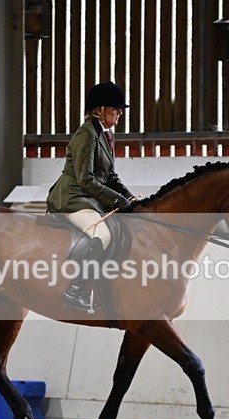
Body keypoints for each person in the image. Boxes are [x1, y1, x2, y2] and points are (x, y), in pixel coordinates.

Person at [47, 81, 135, 312]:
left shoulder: (106, 135)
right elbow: (85, 179)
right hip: (73, 198)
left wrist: (129, 197)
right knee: (102, 234)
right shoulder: (86, 135)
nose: (120, 114)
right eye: (115, 109)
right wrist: (116, 200)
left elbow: (110, 176)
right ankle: (75, 290)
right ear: (99, 111)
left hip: (90, 198)